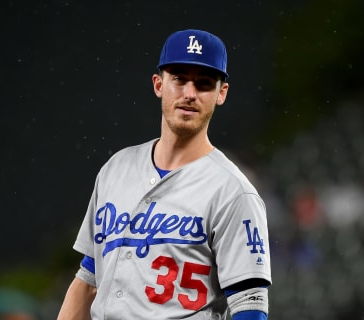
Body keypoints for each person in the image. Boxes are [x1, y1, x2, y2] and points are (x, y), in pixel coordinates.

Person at [57, 29, 272, 320]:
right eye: (179, 79)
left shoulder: (233, 192)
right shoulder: (116, 169)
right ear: (159, 84)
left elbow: (249, 302)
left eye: (204, 84)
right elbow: (89, 277)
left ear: (221, 94)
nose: (189, 93)